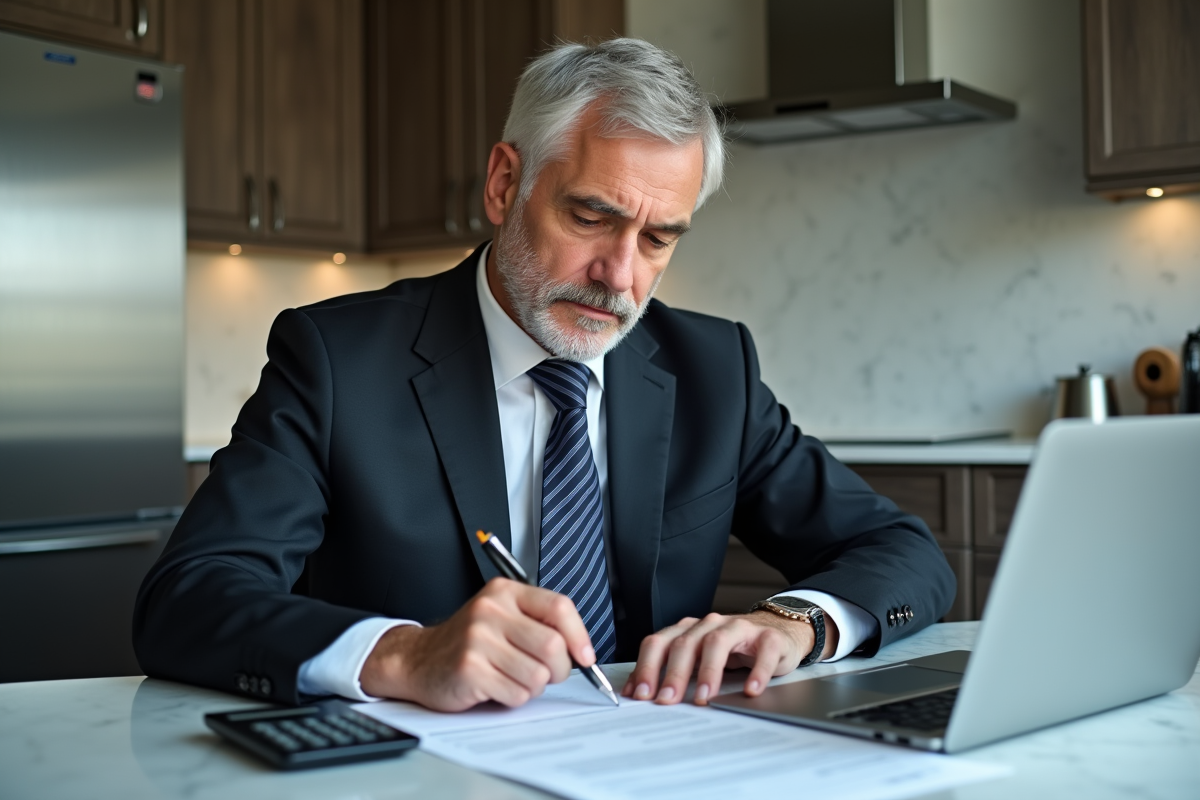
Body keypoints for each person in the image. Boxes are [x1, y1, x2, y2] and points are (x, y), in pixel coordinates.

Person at [134, 38, 954, 712]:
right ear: (504, 184)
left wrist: (794, 622)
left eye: (659, 238)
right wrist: (403, 653)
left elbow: (899, 548)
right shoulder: (338, 360)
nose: (620, 276)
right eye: (590, 217)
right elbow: (189, 597)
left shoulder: (713, 370)